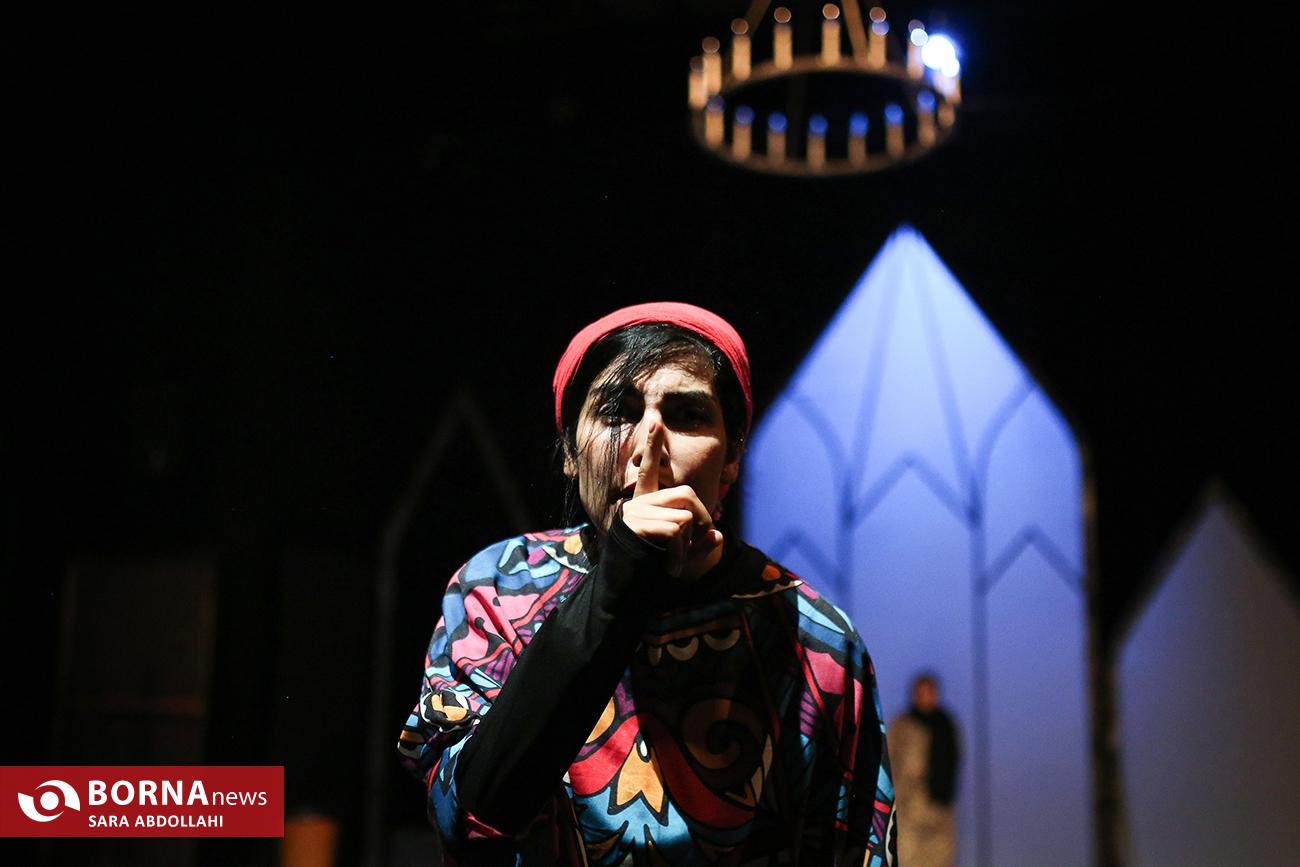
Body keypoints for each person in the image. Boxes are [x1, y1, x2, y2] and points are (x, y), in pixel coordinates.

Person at [397, 302, 896, 865]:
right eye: (617, 412)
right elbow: (468, 817)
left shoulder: (814, 639)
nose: (647, 448)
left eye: (686, 416)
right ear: (569, 451)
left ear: (733, 456)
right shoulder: (498, 591)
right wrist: (620, 580)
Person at [887, 673, 960, 867]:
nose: (927, 697)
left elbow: (953, 761)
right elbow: (891, 760)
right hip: (909, 810)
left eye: (930, 692)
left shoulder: (945, 725)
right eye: (922, 692)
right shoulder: (902, 726)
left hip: (939, 809)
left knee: (940, 859)